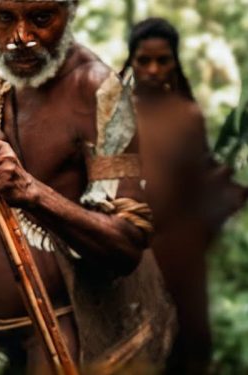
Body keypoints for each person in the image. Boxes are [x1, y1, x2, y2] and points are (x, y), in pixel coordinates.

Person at [0, 1, 176, 373]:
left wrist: (29, 190)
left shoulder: (99, 91)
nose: (20, 38)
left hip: (66, 332)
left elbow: (127, 242)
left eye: (41, 18)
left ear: (71, 9)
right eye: (4, 18)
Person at [123, 17, 248, 374]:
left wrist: (230, 180)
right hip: (131, 254)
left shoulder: (188, 115)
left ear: (175, 62)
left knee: (188, 348)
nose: (153, 69)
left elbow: (199, 187)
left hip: (182, 255)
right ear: (131, 60)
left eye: (163, 60)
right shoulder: (114, 112)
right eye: (144, 60)